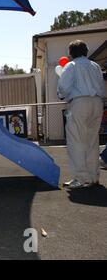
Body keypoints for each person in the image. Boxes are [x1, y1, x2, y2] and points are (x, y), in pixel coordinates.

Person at [57, 40, 106, 189]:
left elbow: (63, 87)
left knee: (76, 141)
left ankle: (80, 177)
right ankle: (93, 176)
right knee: (92, 140)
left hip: (79, 103)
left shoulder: (71, 66)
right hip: (97, 102)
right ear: (86, 52)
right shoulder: (95, 66)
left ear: (71, 53)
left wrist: (61, 94)